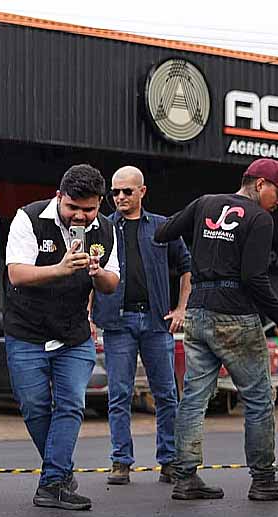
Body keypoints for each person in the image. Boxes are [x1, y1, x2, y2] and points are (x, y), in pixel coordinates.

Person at [155, 158, 278, 502]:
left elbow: (163, 233)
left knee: (194, 398)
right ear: (258, 185)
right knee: (258, 399)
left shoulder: (205, 202)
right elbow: (253, 278)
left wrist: (204, 245)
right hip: (235, 316)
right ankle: (263, 479)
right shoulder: (259, 218)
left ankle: (185, 477)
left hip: (198, 310)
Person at [4, 164, 119, 511]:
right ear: (59, 197)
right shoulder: (29, 218)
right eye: (73, 208)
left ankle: (51, 483)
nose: (81, 217)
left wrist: (97, 276)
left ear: (100, 203)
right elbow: (16, 274)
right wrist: (61, 268)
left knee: (70, 404)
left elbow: (113, 283)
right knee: (35, 407)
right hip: (27, 332)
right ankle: (62, 473)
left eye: (89, 209)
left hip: (74, 335)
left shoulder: (106, 229)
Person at [91, 166, 192, 485]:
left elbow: (188, 268)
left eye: (127, 191)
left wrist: (181, 308)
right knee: (118, 394)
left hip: (156, 321)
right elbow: (88, 275)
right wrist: (88, 315)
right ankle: (121, 461)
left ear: (142, 192)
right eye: (115, 192)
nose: (119, 197)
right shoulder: (102, 228)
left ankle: (170, 460)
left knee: (166, 394)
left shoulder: (163, 227)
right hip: (116, 322)